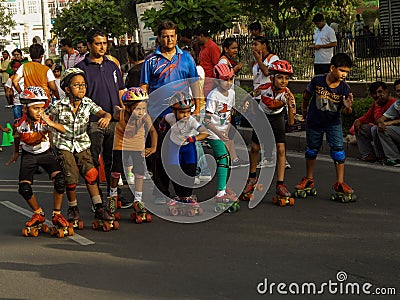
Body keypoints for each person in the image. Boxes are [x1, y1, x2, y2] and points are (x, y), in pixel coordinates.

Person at [140, 20, 202, 204]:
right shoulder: (150, 60)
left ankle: (185, 192)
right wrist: (143, 112)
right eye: (165, 36)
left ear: (176, 36)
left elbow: (194, 84)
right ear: (159, 38)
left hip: (182, 115)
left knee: (184, 153)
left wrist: (197, 109)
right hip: (158, 115)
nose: (169, 40)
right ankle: (162, 192)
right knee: (160, 154)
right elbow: (144, 87)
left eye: (172, 36)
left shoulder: (187, 58)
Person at [45, 68, 114, 225]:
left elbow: (104, 113)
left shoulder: (87, 103)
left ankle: (99, 207)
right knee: (71, 177)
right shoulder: (59, 105)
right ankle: (73, 208)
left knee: (91, 174)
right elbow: (42, 115)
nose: (82, 88)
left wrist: (107, 117)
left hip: (82, 144)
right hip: (63, 144)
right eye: (77, 85)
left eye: (83, 84)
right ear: (67, 89)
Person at [6, 86, 69, 235]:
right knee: (24, 189)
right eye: (36, 108)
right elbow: (16, 136)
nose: (40, 112)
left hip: (45, 152)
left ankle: (57, 213)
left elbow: (63, 130)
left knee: (60, 181)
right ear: (26, 109)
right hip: (29, 155)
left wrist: (51, 124)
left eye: (42, 108)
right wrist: (16, 152)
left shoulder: (45, 120)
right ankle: (38, 213)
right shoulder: (19, 124)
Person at [295, 53, 355, 201]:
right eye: (342, 70)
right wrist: (303, 111)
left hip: (333, 123)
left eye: (347, 72)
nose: (344, 74)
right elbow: (307, 96)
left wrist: (348, 108)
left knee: (338, 152)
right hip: (315, 122)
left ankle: (340, 182)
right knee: (311, 150)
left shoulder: (344, 88)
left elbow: (348, 111)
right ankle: (309, 178)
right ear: (332, 68)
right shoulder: (318, 80)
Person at [75, 28, 126, 202]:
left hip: (114, 121)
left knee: (114, 161)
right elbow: (77, 99)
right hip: (93, 122)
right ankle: (97, 200)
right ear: (89, 45)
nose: (102, 47)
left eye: (104, 43)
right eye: (98, 43)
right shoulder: (80, 69)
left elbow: (121, 91)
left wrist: (124, 112)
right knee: (92, 163)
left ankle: (113, 196)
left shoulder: (112, 65)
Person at [239, 60, 296, 202]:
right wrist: (247, 105)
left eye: (286, 78)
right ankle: (252, 178)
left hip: (277, 118)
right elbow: (249, 96)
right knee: (255, 148)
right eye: (280, 77)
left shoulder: (288, 95)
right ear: (272, 78)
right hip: (262, 117)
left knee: (281, 149)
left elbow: (290, 123)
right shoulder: (264, 88)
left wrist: (289, 106)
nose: (284, 81)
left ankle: (280, 184)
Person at [109, 87, 157, 217]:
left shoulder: (145, 117)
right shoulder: (121, 114)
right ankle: (112, 195)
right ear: (128, 107)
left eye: (143, 108)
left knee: (139, 171)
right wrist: (116, 109)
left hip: (137, 146)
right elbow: (115, 111)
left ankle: (138, 199)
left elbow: (153, 131)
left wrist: (153, 147)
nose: (141, 112)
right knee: (116, 170)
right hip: (120, 145)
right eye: (137, 109)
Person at [160, 92, 209, 215]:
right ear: (174, 111)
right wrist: (161, 126)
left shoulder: (191, 121)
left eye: (188, 111)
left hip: (188, 148)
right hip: (174, 147)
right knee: (174, 170)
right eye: (182, 112)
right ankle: (179, 195)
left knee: (190, 170)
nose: (185, 115)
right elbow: (163, 119)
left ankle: (187, 195)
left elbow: (205, 132)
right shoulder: (170, 117)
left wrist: (193, 139)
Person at [203, 64, 238, 204]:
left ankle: (224, 187)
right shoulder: (213, 96)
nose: (228, 83)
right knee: (223, 158)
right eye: (225, 80)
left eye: (230, 79)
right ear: (217, 80)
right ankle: (220, 193)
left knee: (226, 160)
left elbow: (229, 115)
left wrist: (226, 134)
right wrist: (219, 133)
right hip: (212, 133)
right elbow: (206, 120)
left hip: (223, 132)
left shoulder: (232, 93)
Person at [218, 37, 248, 168]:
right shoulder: (223, 62)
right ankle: (228, 159)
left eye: (236, 48)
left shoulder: (227, 61)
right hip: (224, 102)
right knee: (228, 131)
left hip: (229, 100)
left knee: (230, 131)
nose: (236, 50)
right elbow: (223, 79)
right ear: (225, 49)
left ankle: (233, 158)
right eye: (233, 48)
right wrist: (235, 69)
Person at [252, 36, 279, 168]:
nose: (253, 47)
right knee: (260, 130)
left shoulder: (273, 58)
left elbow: (267, 72)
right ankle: (267, 156)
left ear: (264, 45)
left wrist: (258, 60)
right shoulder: (256, 61)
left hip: (268, 98)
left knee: (268, 129)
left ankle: (270, 157)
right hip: (258, 98)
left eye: (256, 44)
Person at [353, 81, 395, 162]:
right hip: (382, 129)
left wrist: (378, 106)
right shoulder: (376, 103)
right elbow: (367, 117)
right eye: (375, 93)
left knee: (375, 129)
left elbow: (379, 120)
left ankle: (382, 157)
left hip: (390, 130)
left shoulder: (392, 103)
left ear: (386, 91)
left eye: (380, 92)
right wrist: (358, 120)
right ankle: (368, 154)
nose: (378, 95)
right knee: (360, 127)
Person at [376, 79, 400, 167]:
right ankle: (394, 159)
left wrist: (390, 123)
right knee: (379, 129)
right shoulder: (397, 104)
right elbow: (381, 118)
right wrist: (381, 123)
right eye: (398, 91)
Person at [194, 26, 221, 97]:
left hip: (210, 82)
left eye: (197, 38)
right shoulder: (203, 47)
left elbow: (217, 66)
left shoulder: (213, 47)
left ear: (201, 36)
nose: (196, 40)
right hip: (203, 81)